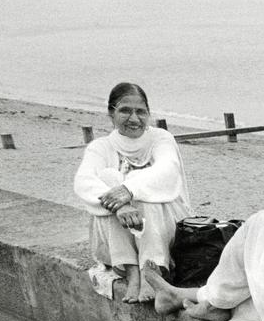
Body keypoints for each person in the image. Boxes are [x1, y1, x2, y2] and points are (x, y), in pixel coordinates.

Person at [73, 82, 191, 303]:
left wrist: (129, 191)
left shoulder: (160, 138)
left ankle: (151, 269)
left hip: (164, 227)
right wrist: (120, 205)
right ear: (111, 113)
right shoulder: (101, 146)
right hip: (116, 236)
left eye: (141, 112)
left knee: (145, 195)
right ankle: (131, 270)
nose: (134, 119)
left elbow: (168, 169)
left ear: (148, 113)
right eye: (125, 110)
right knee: (108, 178)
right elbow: (83, 180)